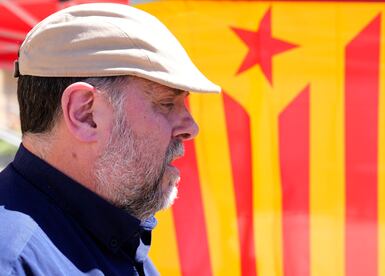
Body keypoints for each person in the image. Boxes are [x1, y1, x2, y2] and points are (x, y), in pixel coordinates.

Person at [0, 3, 220, 276]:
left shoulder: (116, 238)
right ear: (85, 113)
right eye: (166, 103)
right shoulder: (13, 260)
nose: (191, 127)